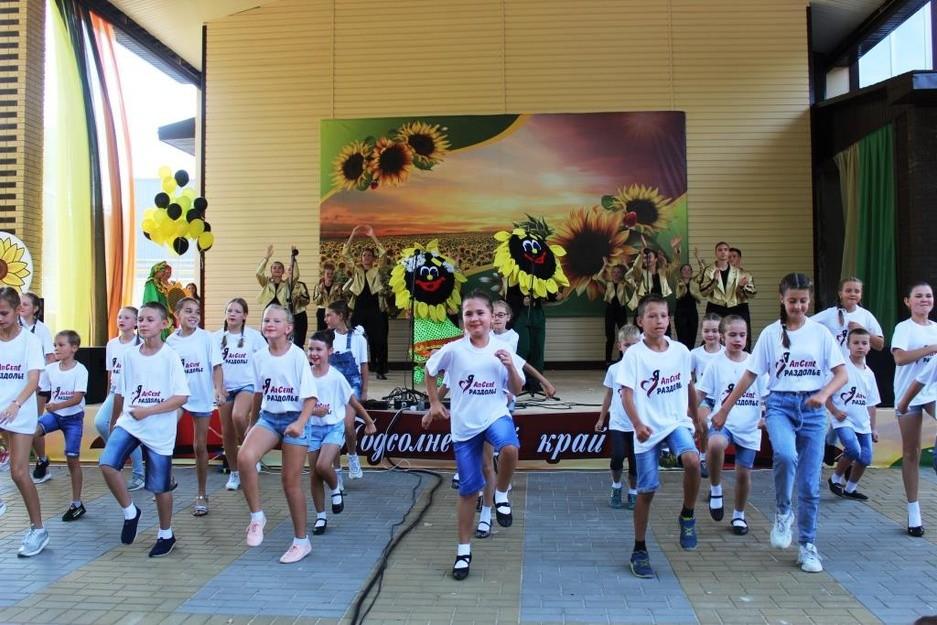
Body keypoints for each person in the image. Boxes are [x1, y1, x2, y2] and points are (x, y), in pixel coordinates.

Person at [713, 273, 846, 573]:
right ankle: (783, 511)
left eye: (803, 301)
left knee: (810, 484)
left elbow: (841, 373)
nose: (798, 306)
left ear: (809, 301)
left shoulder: (820, 334)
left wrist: (824, 395)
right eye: (792, 301)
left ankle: (808, 546)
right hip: (780, 405)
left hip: (813, 410)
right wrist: (724, 409)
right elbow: (750, 375)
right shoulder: (771, 334)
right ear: (782, 300)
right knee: (786, 455)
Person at [424, 291, 525, 581]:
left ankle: (502, 494)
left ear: (492, 317)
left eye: (480, 313)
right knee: (468, 491)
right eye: (469, 314)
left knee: (509, 448)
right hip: (465, 427)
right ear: (463, 320)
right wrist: (433, 403)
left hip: (495, 414)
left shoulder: (503, 349)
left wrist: (508, 366)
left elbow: (517, 389)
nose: (474, 318)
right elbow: (431, 372)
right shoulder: (454, 349)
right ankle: (463, 551)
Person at [619, 294, 701, 579]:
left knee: (692, 460)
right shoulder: (634, 355)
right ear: (640, 321)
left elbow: (688, 384)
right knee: (647, 490)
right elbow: (626, 393)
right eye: (652, 316)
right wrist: (637, 423)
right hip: (647, 429)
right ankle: (639, 547)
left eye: (663, 316)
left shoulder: (681, 351)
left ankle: (687, 514)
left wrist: (696, 415)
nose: (659, 321)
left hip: (676, 422)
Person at [99, 301, 189, 558]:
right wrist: (116, 420)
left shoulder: (170, 357)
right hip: (131, 422)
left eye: (149, 320)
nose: (143, 324)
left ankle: (166, 534)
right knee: (107, 463)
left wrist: (148, 411)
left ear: (164, 324)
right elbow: (120, 392)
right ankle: (130, 511)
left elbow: (181, 396)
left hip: (159, 427)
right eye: (141, 319)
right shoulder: (129, 355)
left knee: (159, 487)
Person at [237, 304, 317, 563]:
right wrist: (252, 422)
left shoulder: (297, 357)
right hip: (269, 418)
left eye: (276, 320)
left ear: (288, 328)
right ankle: (257, 517)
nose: (269, 324)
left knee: (290, 482)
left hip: (296, 418)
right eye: (266, 320)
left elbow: (311, 398)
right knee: (245, 457)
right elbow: (259, 392)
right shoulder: (259, 356)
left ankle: (301, 541)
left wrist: (301, 424)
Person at [696, 315, 764, 535]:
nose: (738, 339)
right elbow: (702, 393)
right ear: (723, 337)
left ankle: (739, 515)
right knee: (715, 444)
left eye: (742, 335)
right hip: (723, 421)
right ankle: (716, 488)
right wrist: (687, 409)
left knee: (744, 474)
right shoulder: (715, 364)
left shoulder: (756, 363)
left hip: (750, 425)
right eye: (732, 334)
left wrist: (767, 416)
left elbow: (768, 395)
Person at [305, 330, 374, 535]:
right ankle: (320, 516)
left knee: (323, 465)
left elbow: (352, 402)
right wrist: (313, 411)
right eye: (310, 349)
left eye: (319, 349)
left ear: (330, 351)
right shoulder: (305, 375)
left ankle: (335, 487)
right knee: (314, 475)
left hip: (333, 428)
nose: (314, 353)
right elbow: (299, 404)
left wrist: (369, 421)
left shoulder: (336, 377)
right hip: (312, 429)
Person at [0, 287, 49, 556]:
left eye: (4, 313)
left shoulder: (30, 342)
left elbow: (33, 380)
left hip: (20, 411)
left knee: (19, 472)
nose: (0, 318)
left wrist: (16, 404)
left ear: (18, 311)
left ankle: (38, 529)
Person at [167, 297, 225, 516]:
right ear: (177, 314)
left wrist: (218, 389)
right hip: (180, 397)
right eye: (188, 311)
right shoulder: (171, 342)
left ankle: (201, 494)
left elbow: (217, 367)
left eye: (197, 312)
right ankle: (165, 479)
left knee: (199, 446)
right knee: (165, 434)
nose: (193, 316)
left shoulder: (207, 338)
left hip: (201, 397)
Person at [891, 282, 937, 537]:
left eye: (928, 296)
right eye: (918, 296)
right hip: (907, 394)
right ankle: (913, 509)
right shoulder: (904, 328)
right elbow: (900, 358)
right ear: (908, 301)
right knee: (911, 452)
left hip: (933, 390)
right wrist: (930, 348)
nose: (924, 300)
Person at [32, 330, 89, 523]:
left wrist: (57, 405)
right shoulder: (50, 369)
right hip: (55, 416)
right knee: (32, 431)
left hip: (73, 418)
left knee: (72, 459)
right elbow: (39, 388)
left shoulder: (80, 370)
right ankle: (42, 460)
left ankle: (76, 503)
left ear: (74, 348)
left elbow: (78, 397)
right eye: (55, 345)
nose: (56, 348)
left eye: (61, 345)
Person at [215, 298, 267, 491]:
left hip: (247, 385)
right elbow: (214, 366)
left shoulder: (254, 337)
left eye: (237, 311)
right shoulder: (217, 337)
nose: (232, 314)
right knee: (227, 431)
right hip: (225, 388)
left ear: (244, 316)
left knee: (239, 416)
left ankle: (252, 454)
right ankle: (235, 472)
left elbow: (265, 359)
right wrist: (218, 388)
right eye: (229, 310)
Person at [95, 307, 146, 492]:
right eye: (119, 317)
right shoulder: (112, 344)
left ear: (135, 323)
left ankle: (139, 474)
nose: (122, 320)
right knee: (101, 422)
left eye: (127, 317)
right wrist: (108, 395)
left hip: (132, 393)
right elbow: (111, 372)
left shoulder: (139, 344)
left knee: (128, 430)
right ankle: (119, 453)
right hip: (115, 392)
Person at [827, 328, 880, 501]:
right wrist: (835, 411)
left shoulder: (870, 374)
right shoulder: (841, 368)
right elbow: (825, 394)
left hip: (862, 422)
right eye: (855, 343)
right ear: (848, 345)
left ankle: (851, 488)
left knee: (865, 458)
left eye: (864, 343)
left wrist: (873, 428)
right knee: (853, 449)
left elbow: (871, 404)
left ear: (869, 346)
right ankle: (835, 478)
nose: (860, 346)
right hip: (843, 419)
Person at [594, 324, 641, 510]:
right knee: (617, 456)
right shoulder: (614, 369)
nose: (630, 349)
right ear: (620, 346)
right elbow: (609, 395)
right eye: (627, 345)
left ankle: (633, 492)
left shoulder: (644, 368)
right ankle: (616, 486)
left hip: (638, 424)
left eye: (634, 345)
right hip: (618, 423)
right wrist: (600, 418)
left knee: (636, 462)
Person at [324, 300, 369, 483]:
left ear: (340, 316)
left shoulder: (358, 338)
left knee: (348, 425)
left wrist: (365, 390)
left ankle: (352, 456)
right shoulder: (326, 338)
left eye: (329, 315)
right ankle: (336, 471)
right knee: (333, 428)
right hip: (332, 387)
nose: (326, 318)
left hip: (352, 385)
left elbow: (364, 365)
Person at [342, 225, 389, 379]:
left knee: (379, 341)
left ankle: (380, 369)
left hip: (376, 309)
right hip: (360, 309)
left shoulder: (377, 270)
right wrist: (353, 234)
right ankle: (356, 369)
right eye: (364, 255)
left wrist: (373, 235)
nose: (366, 257)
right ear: (360, 258)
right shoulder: (356, 270)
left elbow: (383, 255)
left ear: (372, 258)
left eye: (369, 255)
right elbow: (345, 254)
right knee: (356, 340)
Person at [699, 243, 755, 347]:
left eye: (725, 250)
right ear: (715, 253)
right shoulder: (709, 270)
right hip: (715, 307)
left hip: (736, 307)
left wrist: (742, 287)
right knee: (713, 337)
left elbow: (752, 293)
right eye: (720, 250)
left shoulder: (741, 273)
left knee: (739, 337)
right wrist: (714, 281)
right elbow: (703, 292)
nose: (723, 252)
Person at [812, 277, 885, 356]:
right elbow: (805, 325)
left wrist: (862, 330)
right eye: (848, 291)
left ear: (861, 294)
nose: (853, 294)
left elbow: (880, 345)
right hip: (832, 365)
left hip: (856, 366)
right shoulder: (829, 313)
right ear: (840, 294)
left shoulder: (866, 315)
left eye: (857, 291)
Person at [690, 313, 723, 478]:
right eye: (707, 331)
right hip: (704, 397)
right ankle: (702, 456)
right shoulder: (695, 354)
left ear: (722, 333)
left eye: (715, 330)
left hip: (722, 398)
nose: (711, 334)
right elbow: (687, 378)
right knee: (703, 421)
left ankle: (713, 457)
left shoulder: (726, 352)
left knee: (716, 431)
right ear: (702, 332)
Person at [603, 264, 633, 364]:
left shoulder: (624, 283)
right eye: (614, 272)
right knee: (610, 337)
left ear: (621, 274)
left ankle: (622, 359)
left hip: (621, 310)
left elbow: (631, 276)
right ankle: (608, 361)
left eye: (618, 272)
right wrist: (604, 266)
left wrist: (625, 265)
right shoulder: (608, 283)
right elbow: (598, 277)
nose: (616, 274)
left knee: (623, 336)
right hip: (610, 311)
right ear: (611, 274)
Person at [729, 247, 757, 349]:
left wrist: (740, 288)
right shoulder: (720, 276)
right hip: (725, 309)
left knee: (744, 336)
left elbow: (752, 293)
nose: (731, 259)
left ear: (739, 259)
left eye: (734, 256)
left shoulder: (746, 275)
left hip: (741, 308)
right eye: (729, 257)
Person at [18, 292, 54, 364]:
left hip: (37, 371)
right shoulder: (10, 325)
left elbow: (50, 357)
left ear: (35, 309)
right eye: (19, 304)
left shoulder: (43, 329)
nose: (21, 307)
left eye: (25, 305)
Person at [674, 263, 703, 350]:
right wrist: (684, 288)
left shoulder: (694, 284)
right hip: (680, 314)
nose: (686, 271)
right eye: (684, 270)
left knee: (692, 338)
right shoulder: (678, 283)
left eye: (688, 270)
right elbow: (678, 296)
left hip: (692, 314)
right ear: (681, 272)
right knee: (682, 339)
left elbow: (699, 299)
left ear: (691, 272)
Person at [142, 262, 174, 340]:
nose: (163, 274)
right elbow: (152, 299)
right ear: (156, 271)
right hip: (157, 313)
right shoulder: (150, 282)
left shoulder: (161, 284)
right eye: (162, 271)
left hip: (165, 313)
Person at [287, 247, 310, 349]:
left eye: (293, 270)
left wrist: (299, 299)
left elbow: (307, 300)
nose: (291, 272)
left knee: (299, 342)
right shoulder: (283, 286)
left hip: (300, 315)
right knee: (286, 342)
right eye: (289, 270)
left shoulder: (301, 285)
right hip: (287, 316)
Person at [256, 245, 291, 309]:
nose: (277, 269)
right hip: (268, 312)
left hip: (282, 312)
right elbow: (258, 273)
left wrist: (293, 258)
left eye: (280, 268)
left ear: (283, 271)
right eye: (274, 268)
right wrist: (266, 258)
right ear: (271, 270)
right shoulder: (266, 282)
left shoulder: (286, 284)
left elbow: (295, 276)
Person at [313, 262, 341, 332]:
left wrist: (338, 294)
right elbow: (316, 302)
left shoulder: (337, 286)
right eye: (327, 273)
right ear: (323, 274)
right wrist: (321, 293)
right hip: (322, 312)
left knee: (333, 333)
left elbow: (339, 302)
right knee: (321, 334)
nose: (330, 275)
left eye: (331, 273)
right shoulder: (318, 286)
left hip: (333, 311)